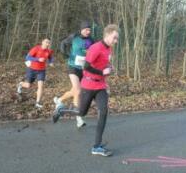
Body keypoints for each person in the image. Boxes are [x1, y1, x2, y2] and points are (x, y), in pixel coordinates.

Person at [52, 24, 119, 157]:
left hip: (100, 86)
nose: (116, 41)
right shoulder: (95, 48)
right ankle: (61, 110)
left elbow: (104, 65)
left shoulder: (109, 49)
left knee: (104, 112)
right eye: (114, 38)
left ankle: (97, 146)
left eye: (117, 39)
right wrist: (102, 71)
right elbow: (86, 67)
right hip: (88, 85)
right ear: (107, 35)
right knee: (81, 112)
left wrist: (108, 71)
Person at [54, 20, 95, 128]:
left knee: (74, 91)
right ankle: (78, 118)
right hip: (73, 67)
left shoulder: (91, 40)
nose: (88, 31)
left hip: (84, 69)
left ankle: (59, 100)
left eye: (89, 30)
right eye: (86, 29)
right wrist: (66, 54)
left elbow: (95, 52)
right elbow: (63, 43)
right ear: (81, 29)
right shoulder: (74, 37)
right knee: (78, 90)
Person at [16, 38, 54, 109]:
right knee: (28, 85)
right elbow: (27, 57)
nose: (47, 44)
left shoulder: (48, 51)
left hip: (41, 71)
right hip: (32, 69)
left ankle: (37, 103)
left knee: (40, 87)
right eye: (46, 42)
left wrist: (51, 62)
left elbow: (50, 57)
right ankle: (20, 84)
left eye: (49, 43)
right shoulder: (36, 48)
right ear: (42, 42)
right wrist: (38, 59)